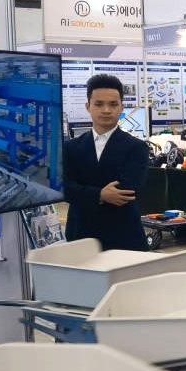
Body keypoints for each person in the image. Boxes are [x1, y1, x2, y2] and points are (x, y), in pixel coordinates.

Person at [62, 74, 149, 251]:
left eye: (113, 104)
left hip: (123, 237)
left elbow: (127, 191)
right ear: (88, 106)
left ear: (121, 107)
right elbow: (63, 188)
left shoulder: (136, 147)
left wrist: (82, 191)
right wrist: (100, 194)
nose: (106, 110)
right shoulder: (71, 147)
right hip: (80, 235)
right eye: (99, 104)